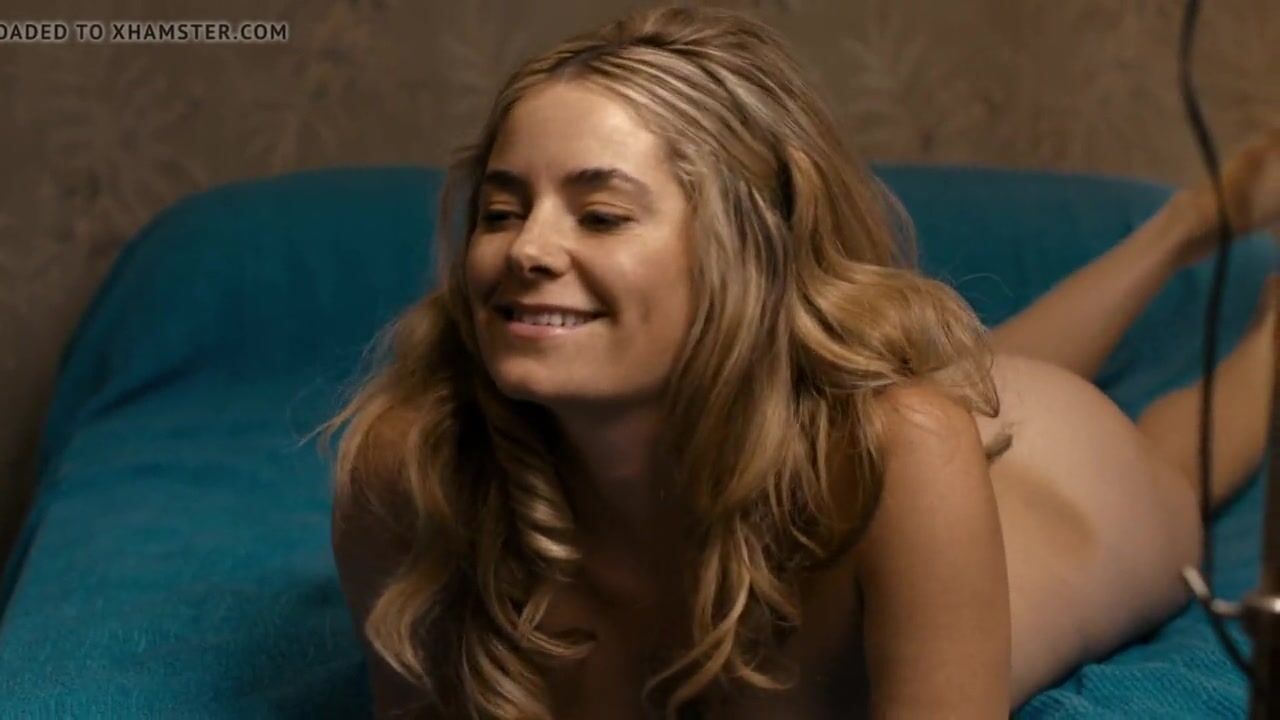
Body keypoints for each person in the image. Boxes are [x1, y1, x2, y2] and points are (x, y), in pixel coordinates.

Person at [320, 6, 1280, 718]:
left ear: (746, 251)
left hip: (1059, 482)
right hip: (847, 425)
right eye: (499, 210)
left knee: (1172, 467)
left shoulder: (902, 450)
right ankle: (1189, 226)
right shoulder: (408, 472)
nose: (526, 248)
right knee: (967, 372)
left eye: (601, 215)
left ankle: (1236, 282)